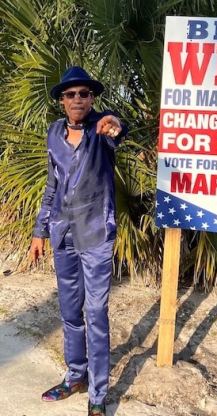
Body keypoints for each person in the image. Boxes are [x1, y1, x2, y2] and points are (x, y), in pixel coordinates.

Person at [28, 66, 127, 416]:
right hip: (62, 234)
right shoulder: (54, 133)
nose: (77, 99)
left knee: (96, 313)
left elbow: (117, 128)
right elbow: (52, 185)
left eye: (83, 93)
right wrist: (40, 231)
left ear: (92, 99)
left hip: (96, 233)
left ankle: (98, 394)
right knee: (70, 312)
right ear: (61, 101)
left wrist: (114, 124)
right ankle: (75, 376)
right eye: (70, 94)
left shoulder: (102, 129)